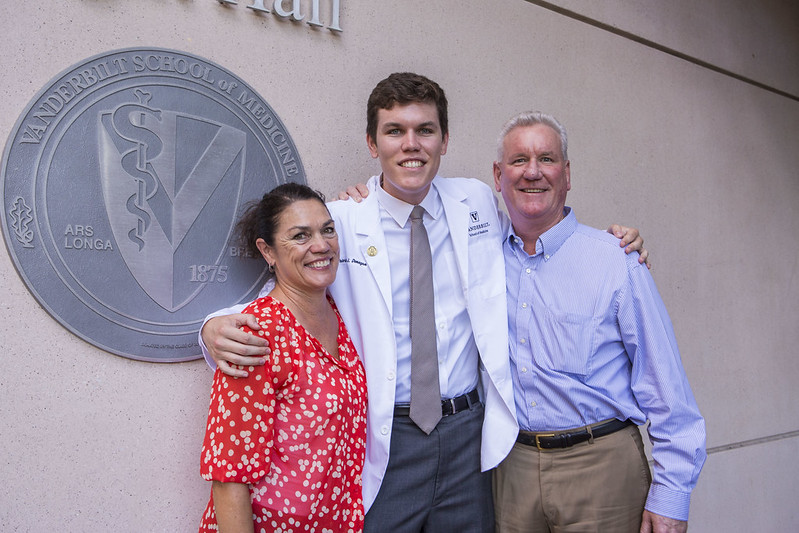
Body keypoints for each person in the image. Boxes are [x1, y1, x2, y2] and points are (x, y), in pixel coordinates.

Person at [200, 73, 646, 533]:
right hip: (389, 439)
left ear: (445, 140)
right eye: (394, 131)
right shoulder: (342, 222)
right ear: (372, 144)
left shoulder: (475, 201)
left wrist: (615, 244)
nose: (411, 145)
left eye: (425, 130)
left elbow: (533, 231)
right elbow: (284, 290)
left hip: (468, 435)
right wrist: (215, 326)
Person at [491, 111, 706, 533]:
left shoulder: (616, 260)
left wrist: (672, 498)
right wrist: (363, 198)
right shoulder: (480, 257)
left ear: (567, 174)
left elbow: (666, 389)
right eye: (518, 160)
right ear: (498, 175)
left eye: (546, 159)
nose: (532, 172)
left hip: (601, 467)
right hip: (510, 470)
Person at [198, 183, 367, 533]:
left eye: (328, 230)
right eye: (300, 236)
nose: (320, 245)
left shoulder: (340, 314)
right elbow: (230, 477)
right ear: (268, 251)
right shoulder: (256, 336)